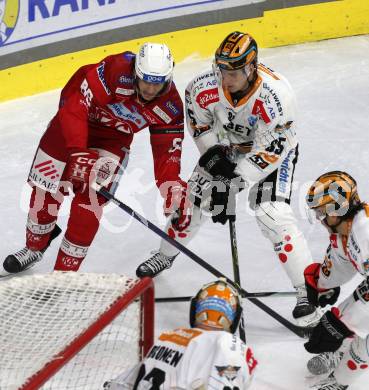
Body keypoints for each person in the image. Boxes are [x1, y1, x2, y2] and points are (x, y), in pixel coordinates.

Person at [136, 31, 319, 326]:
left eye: (233, 71)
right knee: (191, 203)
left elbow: (271, 151)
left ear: (251, 67)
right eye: (222, 69)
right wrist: (216, 161)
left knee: (272, 215)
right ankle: (165, 254)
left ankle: (308, 290)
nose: (226, 77)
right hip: (224, 149)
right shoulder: (201, 87)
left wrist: (233, 184)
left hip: (268, 154)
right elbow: (199, 125)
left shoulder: (276, 97)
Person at [2, 42, 187, 275]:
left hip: (112, 141)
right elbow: (75, 107)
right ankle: (34, 247)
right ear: (135, 73)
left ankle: (64, 273)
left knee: (89, 204)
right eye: (146, 80)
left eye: (158, 83)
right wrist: (78, 150)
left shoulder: (171, 107)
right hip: (72, 124)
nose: (151, 89)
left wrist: (170, 187)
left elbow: (166, 152)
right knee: (45, 188)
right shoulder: (115, 70)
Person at [104, 278, 257, 389]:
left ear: (195, 310)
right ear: (234, 317)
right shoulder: (230, 344)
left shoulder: (167, 338)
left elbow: (117, 386)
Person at [303, 171, 369, 390]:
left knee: (365, 343)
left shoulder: (365, 231)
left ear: (339, 208)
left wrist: (343, 323)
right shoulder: (346, 231)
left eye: (322, 211)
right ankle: (343, 351)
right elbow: (340, 262)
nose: (320, 218)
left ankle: (339, 382)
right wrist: (321, 284)